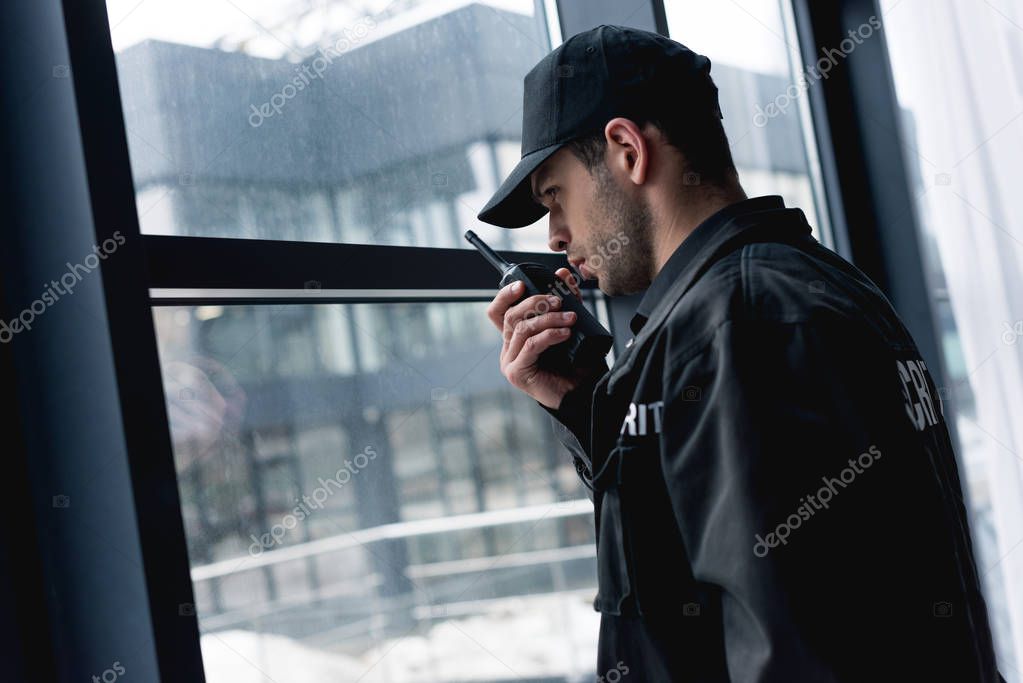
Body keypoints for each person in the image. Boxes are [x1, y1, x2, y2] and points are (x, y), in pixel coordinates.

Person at [478, 24, 1005, 682]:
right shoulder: (793, 289)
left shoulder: (739, 326)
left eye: (555, 197)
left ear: (625, 149)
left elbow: (792, 652)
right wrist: (584, 405)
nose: (555, 235)